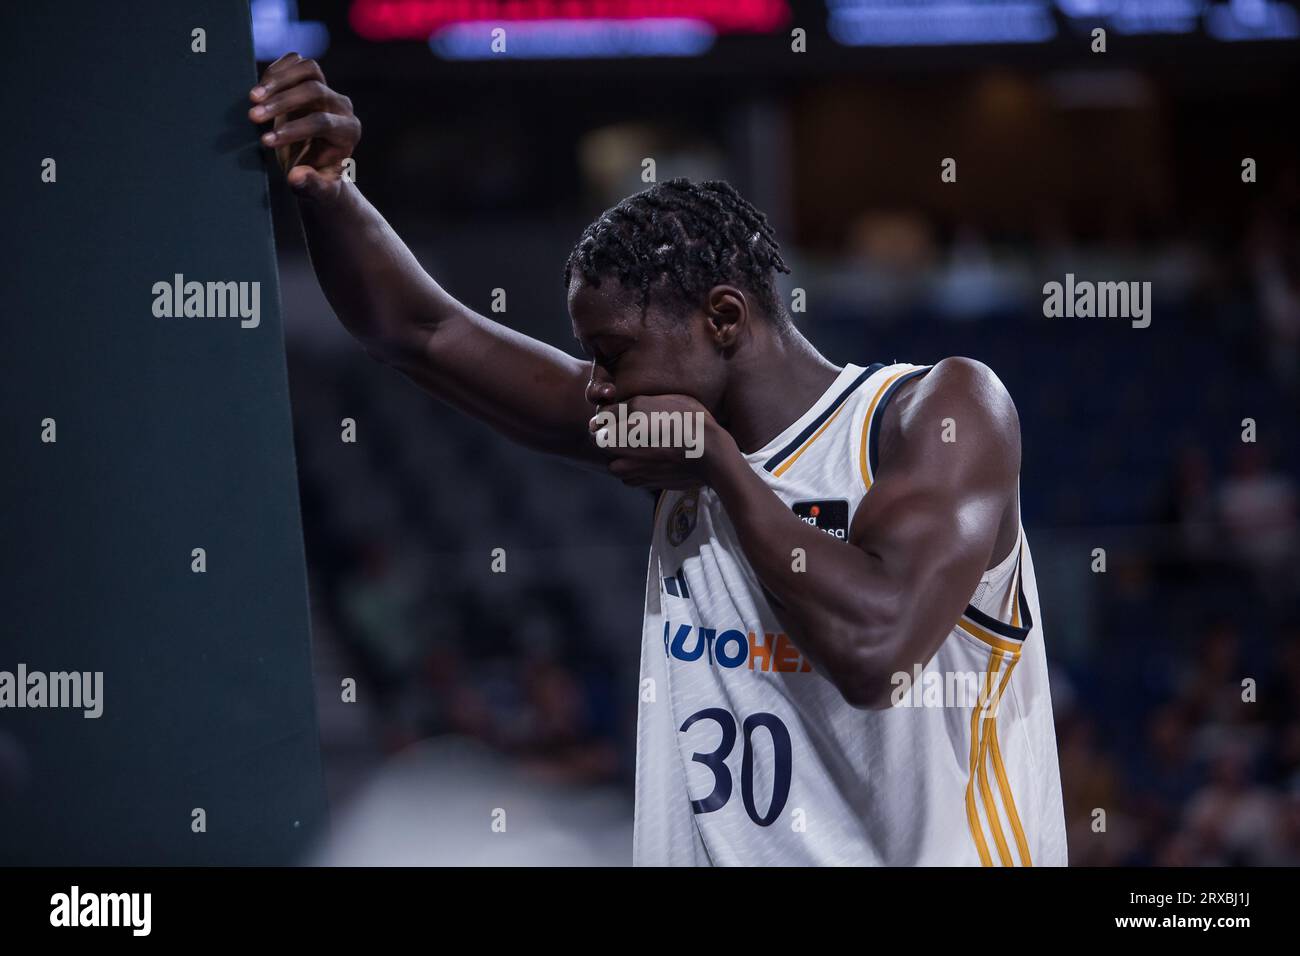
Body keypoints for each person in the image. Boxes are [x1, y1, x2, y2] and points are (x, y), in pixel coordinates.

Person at [249, 53, 1067, 865]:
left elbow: (876, 651)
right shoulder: (659, 427)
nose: (597, 391)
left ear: (721, 317)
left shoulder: (937, 412)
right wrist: (331, 188)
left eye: (613, 354)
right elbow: (423, 332)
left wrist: (720, 466)